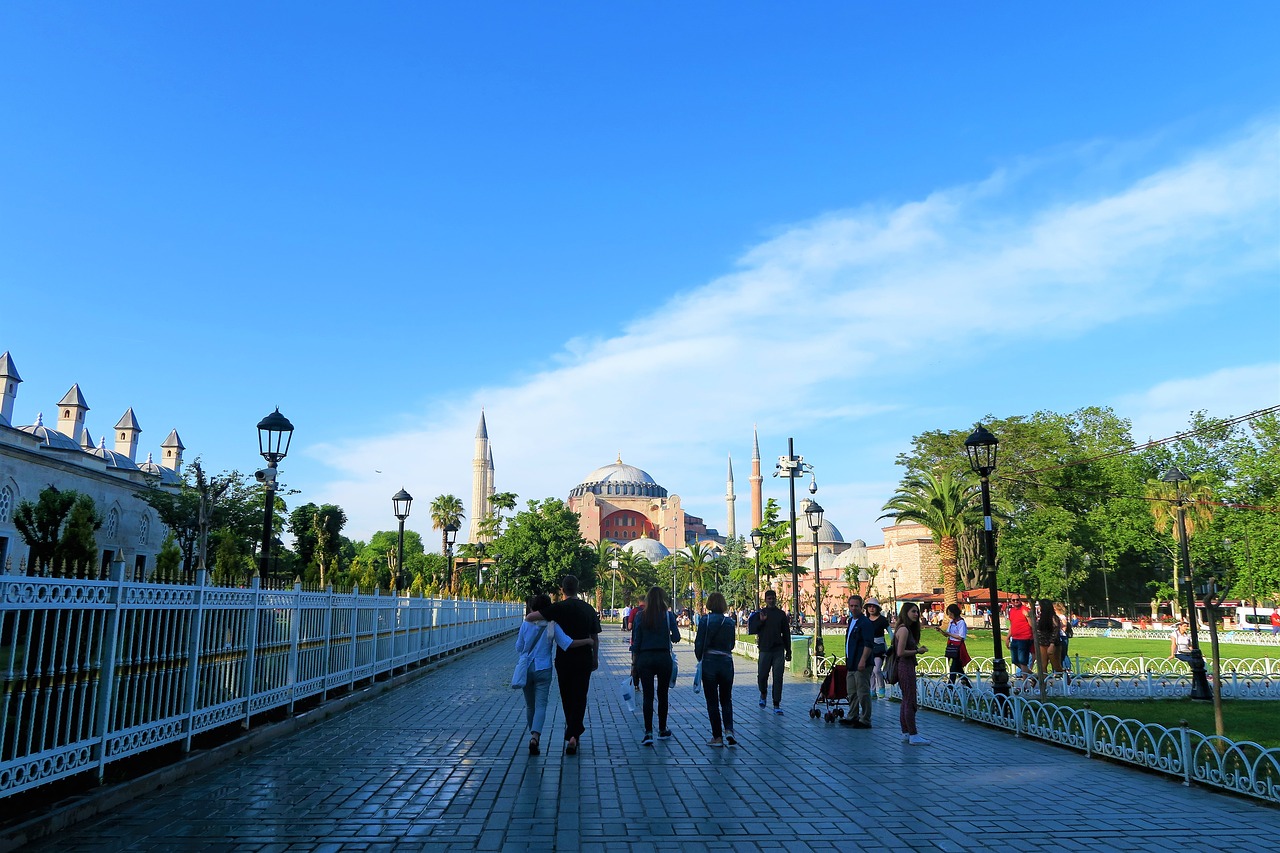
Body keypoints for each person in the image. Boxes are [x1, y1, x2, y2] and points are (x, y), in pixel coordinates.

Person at [525, 575, 601, 756]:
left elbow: (531, 617)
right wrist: (595, 658)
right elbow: (595, 636)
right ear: (577, 588)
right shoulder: (588, 609)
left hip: (564, 659)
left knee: (567, 696)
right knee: (580, 696)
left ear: (562, 589)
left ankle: (572, 731)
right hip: (584, 658)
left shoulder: (558, 608)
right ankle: (574, 735)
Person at [631, 586, 680, 746]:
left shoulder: (640, 616)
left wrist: (634, 661)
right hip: (663, 657)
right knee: (663, 694)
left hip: (645, 658)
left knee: (647, 696)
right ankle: (662, 729)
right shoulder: (668, 616)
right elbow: (676, 638)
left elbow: (636, 641)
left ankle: (648, 732)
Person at [694, 591, 737, 747]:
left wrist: (700, 657)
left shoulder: (705, 620)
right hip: (726, 662)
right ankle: (729, 730)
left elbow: (699, 643)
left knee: (712, 701)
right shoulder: (730, 622)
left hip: (710, 662)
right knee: (726, 699)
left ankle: (717, 737)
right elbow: (732, 645)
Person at [894, 602, 929, 745]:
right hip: (905, 667)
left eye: (917, 612)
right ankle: (913, 734)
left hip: (906, 666)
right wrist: (917, 651)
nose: (916, 614)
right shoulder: (904, 630)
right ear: (906, 612)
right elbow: (900, 652)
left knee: (906, 700)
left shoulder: (904, 629)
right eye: (913, 611)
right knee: (910, 700)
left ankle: (906, 732)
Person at [753, 589, 791, 713]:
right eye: (769, 598)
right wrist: (761, 621)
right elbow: (753, 629)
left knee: (778, 677)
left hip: (778, 650)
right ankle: (763, 693)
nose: (771, 600)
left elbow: (786, 633)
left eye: (773, 598)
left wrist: (788, 650)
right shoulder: (761, 613)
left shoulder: (781, 614)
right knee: (762, 676)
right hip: (764, 649)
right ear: (766, 600)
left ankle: (776, 704)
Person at [839, 594, 874, 728]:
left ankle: (865, 719)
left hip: (861, 664)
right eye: (851, 606)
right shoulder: (851, 621)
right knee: (852, 692)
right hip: (851, 663)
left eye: (856, 606)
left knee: (862, 692)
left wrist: (863, 660)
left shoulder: (865, 623)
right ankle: (853, 715)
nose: (853, 608)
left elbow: (868, 644)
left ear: (861, 607)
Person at [936, 603, 972, 687]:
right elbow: (947, 634)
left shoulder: (961, 623)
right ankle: (967, 685)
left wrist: (950, 634)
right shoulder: (951, 622)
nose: (949, 616)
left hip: (958, 647)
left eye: (950, 613)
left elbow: (961, 637)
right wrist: (941, 631)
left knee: (953, 668)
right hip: (952, 645)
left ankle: (950, 687)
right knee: (959, 669)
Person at [864, 598, 891, 699]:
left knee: (876, 670)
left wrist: (893, 642)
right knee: (870, 671)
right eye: (869, 607)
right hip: (868, 647)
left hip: (879, 647)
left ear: (877, 608)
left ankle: (881, 687)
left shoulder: (882, 620)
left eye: (873, 606)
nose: (871, 609)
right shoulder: (865, 620)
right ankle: (872, 690)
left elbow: (890, 632)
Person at [1034, 599, 1063, 682]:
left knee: (1056, 666)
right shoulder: (1040, 617)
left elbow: (1055, 631)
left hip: (1053, 644)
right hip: (1042, 643)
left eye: (1040, 605)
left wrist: (1052, 644)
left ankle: (1068, 683)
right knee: (1042, 666)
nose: (1039, 607)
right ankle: (1043, 686)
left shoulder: (1054, 618)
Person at [1007, 598, 1034, 679]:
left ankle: (1025, 683)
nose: (1016, 601)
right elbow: (1012, 625)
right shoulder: (1011, 611)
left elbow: (1033, 625)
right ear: (1011, 601)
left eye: (1017, 599)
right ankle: (1033, 676)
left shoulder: (1026, 610)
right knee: (1015, 660)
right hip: (1015, 638)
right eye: (1013, 600)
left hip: (1025, 638)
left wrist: (1028, 616)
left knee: (1023, 661)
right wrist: (1008, 637)